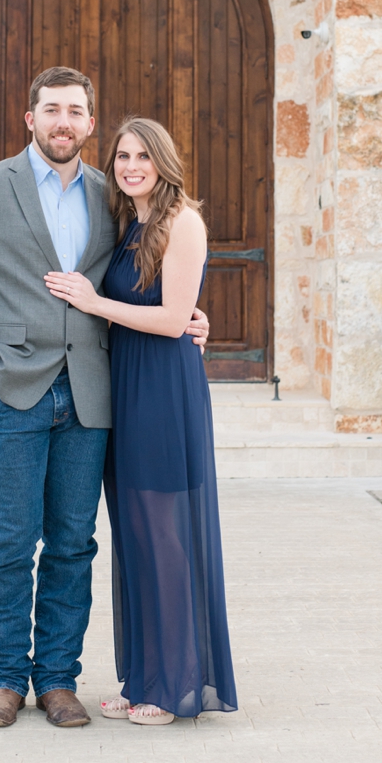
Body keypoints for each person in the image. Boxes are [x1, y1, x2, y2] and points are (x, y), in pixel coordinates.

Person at [0, 68, 209, 729]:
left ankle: (56, 678)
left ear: (89, 124)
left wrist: (192, 316)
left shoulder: (115, 195)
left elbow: (151, 274)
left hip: (90, 395)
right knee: (9, 540)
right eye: (51, 109)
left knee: (74, 542)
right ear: (30, 117)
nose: (63, 122)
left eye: (75, 111)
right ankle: (3, 677)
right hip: (10, 389)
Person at [44, 117, 237, 725]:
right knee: (132, 537)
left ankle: (175, 684)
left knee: (164, 534)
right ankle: (142, 677)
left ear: (164, 161)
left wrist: (93, 301)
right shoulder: (131, 222)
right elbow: (170, 305)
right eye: (122, 156)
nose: (130, 166)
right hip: (124, 386)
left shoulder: (183, 220)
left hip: (162, 393)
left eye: (142, 156)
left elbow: (175, 319)